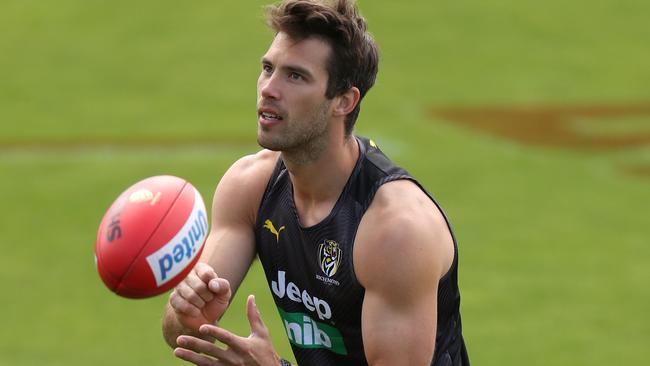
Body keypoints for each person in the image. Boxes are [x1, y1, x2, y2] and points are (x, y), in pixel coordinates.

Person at [162, 0, 469, 365]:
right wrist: (187, 310)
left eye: (295, 76)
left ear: (344, 100)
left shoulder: (396, 232)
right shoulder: (249, 187)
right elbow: (181, 331)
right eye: (267, 68)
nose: (269, 89)